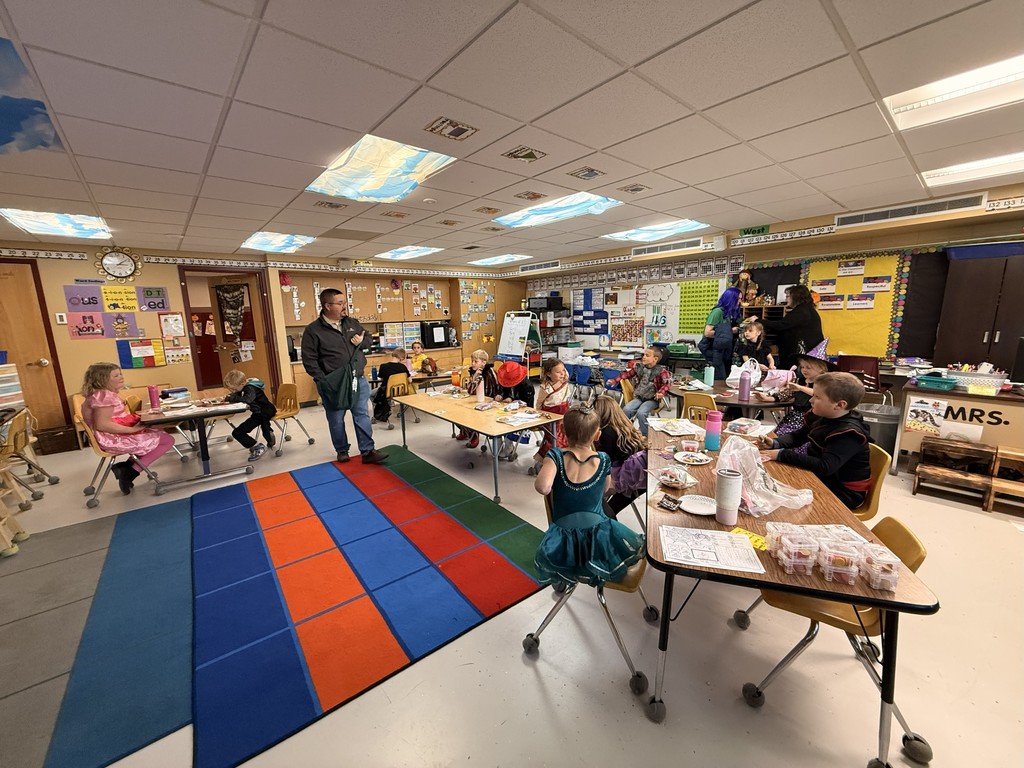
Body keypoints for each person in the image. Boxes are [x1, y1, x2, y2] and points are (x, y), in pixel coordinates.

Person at [532, 404, 645, 587]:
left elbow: (543, 487)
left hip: (563, 540)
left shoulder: (555, 456)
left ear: (562, 429)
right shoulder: (603, 459)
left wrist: (552, 463)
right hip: (598, 537)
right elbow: (605, 490)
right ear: (597, 434)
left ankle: (567, 577)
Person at [759, 372, 872, 510]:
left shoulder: (849, 434)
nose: (811, 400)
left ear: (839, 405)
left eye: (817, 397)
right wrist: (776, 443)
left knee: (780, 502)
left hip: (843, 492)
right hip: (821, 478)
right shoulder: (822, 415)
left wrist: (781, 454)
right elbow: (798, 436)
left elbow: (825, 467)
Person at [300, 288, 388, 465]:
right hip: (334, 382)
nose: (344, 307)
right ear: (327, 306)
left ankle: (367, 451)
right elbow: (309, 359)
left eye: (344, 303)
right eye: (340, 303)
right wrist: (323, 380)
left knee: (361, 415)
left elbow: (369, 337)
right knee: (336, 418)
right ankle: (342, 450)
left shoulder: (352, 323)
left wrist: (362, 342)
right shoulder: (313, 330)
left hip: (357, 379)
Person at [80, 363, 175, 494]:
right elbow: (102, 424)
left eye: (120, 374)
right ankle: (130, 472)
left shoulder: (100, 394)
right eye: (116, 375)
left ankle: (126, 467)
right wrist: (132, 430)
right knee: (166, 440)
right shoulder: (104, 396)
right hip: (110, 438)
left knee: (156, 431)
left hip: (110, 434)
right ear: (102, 379)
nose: (121, 377)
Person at [756, 337, 834, 439]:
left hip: (813, 420)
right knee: (777, 436)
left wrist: (800, 388)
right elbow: (786, 394)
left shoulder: (824, 384)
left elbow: (819, 394)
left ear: (821, 369)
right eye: (802, 367)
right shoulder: (799, 381)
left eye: (808, 368)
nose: (804, 370)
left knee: (795, 440)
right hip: (793, 417)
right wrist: (767, 398)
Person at [592, 394, 648, 518]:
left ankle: (609, 532)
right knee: (606, 506)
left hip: (630, 476)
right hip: (641, 471)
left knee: (605, 510)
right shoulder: (623, 424)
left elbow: (605, 461)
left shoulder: (607, 432)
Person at [607, 346, 671, 437]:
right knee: (626, 409)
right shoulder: (639, 367)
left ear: (655, 359)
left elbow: (667, 383)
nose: (644, 357)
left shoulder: (661, 371)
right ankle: (625, 431)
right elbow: (627, 374)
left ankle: (645, 435)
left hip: (652, 399)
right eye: (644, 354)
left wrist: (661, 392)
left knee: (641, 413)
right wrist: (615, 380)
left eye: (647, 355)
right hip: (640, 397)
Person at [761, 284, 824, 371]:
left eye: (788, 296)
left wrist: (759, 321)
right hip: (806, 354)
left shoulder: (802, 311)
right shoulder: (806, 309)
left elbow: (781, 325)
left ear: (796, 297)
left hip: (803, 355)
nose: (786, 299)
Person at [223, 369, 277, 461]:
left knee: (237, 432)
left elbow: (247, 400)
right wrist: (232, 396)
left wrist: (232, 398)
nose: (233, 391)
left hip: (262, 412)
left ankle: (258, 447)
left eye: (234, 389)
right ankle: (269, 432)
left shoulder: (249, 388)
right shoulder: (247, 386)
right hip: (264, 411)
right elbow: (239, 394)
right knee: (240, 431)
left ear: (242, 384)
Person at [493, 361, 535, 460]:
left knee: (507, 424)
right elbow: (502, 390)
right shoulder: (505, 380)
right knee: (494, 420)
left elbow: (528, 405)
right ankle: (497, 448)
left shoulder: (527, 386)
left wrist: (513, 401)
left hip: (523, 415)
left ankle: (509, 447)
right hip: (506, 411)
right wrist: (500, 395)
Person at [699, 286, 742, 380]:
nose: (740, 302)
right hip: (714, 349)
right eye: (738, 299)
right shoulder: (717, 312)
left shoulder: (731, 314)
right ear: (731, 299)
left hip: (725, 350)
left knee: (727, 377)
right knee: (720, 378)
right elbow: (707, 332)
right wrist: (730, 331)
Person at [458, 348, 498, 450]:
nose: (473, 364)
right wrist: (474, 378)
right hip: (477, 400)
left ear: (484, 362)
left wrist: (495, 399)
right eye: (472, 361)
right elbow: (470, 391)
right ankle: (465, 431)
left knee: (472, 414)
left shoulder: (490, 371)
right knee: (458, 411)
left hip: (489, 402)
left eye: (476, 361)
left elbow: (497, 387)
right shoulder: (474, 372)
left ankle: (474, 434)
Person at [534, 357, 572, 463]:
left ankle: (566, 457)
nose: (562, 374)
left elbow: (564, 371)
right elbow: (539, 404)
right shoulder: (545, 388)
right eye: (558, 372)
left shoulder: (564, 380)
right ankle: (551, 459)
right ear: (549, 374)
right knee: (555, 437)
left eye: (563, 371)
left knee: (569, 434)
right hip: (550, 417)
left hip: (564, 415)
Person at [371, 347, 410, 423]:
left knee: (371, 394)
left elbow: (381, 379)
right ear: (401, 358)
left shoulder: (383, 366)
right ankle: (389, 403)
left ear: (393, 354)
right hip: (401, 391)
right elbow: (410, 380)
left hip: (386, 391)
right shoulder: (403, 367)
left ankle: (379, 411)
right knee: (387, 394)